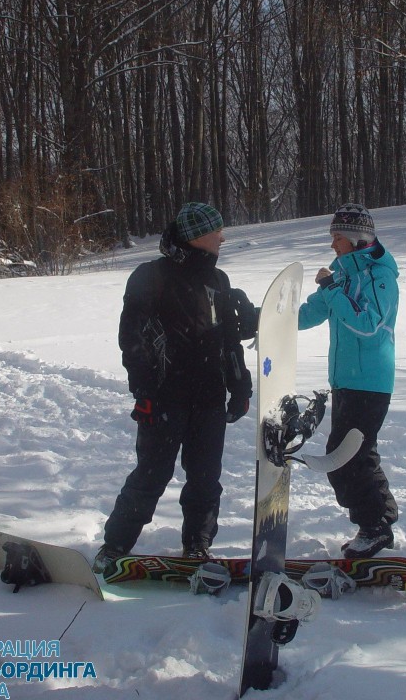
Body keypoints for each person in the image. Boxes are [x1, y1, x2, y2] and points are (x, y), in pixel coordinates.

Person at [93, 202, 256, 571]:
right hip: (165, 397)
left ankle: (197, 545)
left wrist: (240, 387)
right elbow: (132, 339)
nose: (223, 237)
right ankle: (115, 546)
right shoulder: (150, 276)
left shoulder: (218, 281)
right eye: (217, 232)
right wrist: (144, 392)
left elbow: (229, 341)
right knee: (151, 475)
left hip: (210, 397)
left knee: (205, 478)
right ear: (198, 237)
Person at [298, 203, 399, 559]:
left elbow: (367, 326)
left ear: (356, 240)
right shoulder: (343, 272)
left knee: (345, 457)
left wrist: (332, 289)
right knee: (358, 453)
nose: (332, 245)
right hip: (345, 381)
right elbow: (312, 312)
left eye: (337, 237)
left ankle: (375, 526)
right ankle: (377, 521)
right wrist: (267, 321)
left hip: (370, 382)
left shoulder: (379, 277)